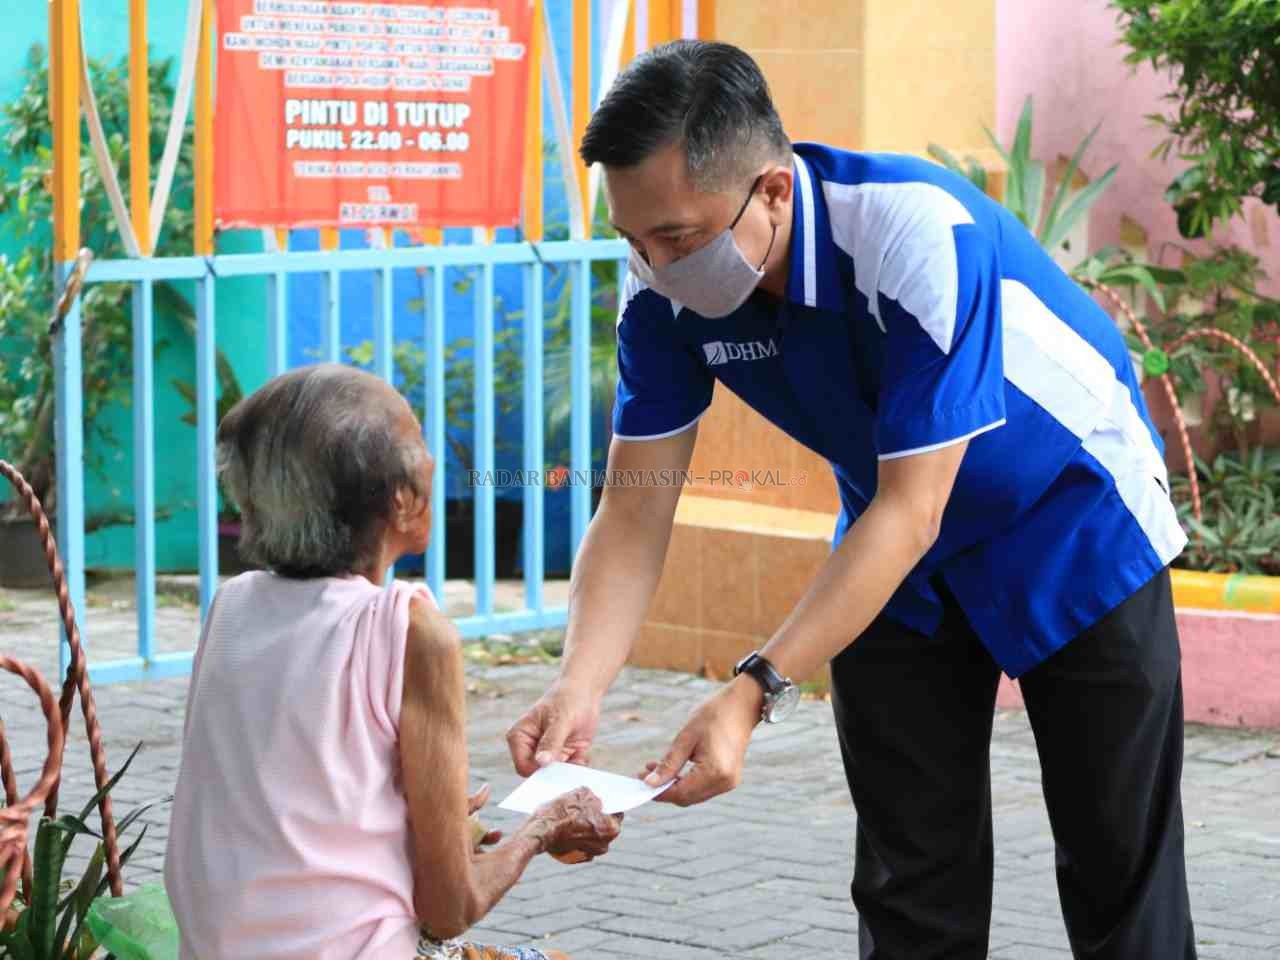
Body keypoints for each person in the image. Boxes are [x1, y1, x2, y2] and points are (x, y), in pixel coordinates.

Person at [506, 39, 1197, 960]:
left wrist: (751, 692)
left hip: (1072, 520)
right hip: (893, 557)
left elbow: (917, 510)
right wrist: (578, 685)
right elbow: (635, 504)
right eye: (635, 239)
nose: (654, 264)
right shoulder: (662, 292)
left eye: (676, 238)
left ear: (774, 192)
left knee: (1120, 874)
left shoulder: (915, 233)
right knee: (911, 881)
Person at [164, 364, 621, 960]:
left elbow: (297, 813)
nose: (433, 462)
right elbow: (450, 908)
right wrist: (546, 826)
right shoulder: (409, 631)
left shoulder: (234, 605)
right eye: (422, 447)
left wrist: (432, 823)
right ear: (401, 501)